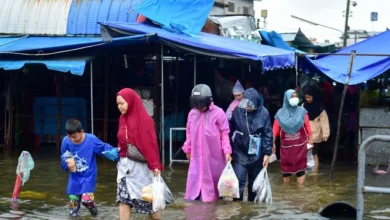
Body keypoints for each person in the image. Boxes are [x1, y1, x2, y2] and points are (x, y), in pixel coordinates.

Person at [116, 88, 163, 220]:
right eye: (118, 104)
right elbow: (121, 140)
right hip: (125, 166)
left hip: (141, 168)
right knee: (123, 199)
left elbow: (150, 145)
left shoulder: (145, 120)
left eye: (122, 103)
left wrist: (155, 165)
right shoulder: (122, 119)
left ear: (131, 102)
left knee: (149, 201)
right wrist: (118, 154)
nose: (120, 107)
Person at [183, 84, 232, 202]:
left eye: (201, 105)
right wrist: (187, 149)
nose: (199, 108)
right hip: (196, 158)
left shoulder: (219, 113)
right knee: (193, 191)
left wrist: (227, 151)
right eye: (197, 105)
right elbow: (189, 133)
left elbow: (224, 134)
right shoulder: (192, 113)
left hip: (213, 158)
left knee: (214, 191)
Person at [60, 119, 119, 217]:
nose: (72, 139)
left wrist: (114, 152)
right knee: (73, 208)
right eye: (70, 137)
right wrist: (67, 164)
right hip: (74, 178)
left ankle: (94, 212)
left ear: (81, 132)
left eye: (75, 137)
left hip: (88, 176)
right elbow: (63, 158)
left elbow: (103, 148)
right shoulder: (66, 141)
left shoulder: (91, 140)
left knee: (86, 200)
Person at [230, 88, 273, 201]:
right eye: (246, 105)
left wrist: (267, 154)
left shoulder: (264, 113)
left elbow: (267, 133)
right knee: (239, 179)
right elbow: (229, 129)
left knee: (254, 184)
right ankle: (237, 207)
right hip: (240, 150)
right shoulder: (237, 111)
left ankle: (251, 208)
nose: (248, 108)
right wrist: (228, 150)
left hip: (256, 152)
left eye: (251, 106)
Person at [272, 89, 313, 184]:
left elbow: (307, 126)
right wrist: (272, 143)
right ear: (286, 98)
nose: (294, 98)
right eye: (292, 97)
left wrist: (311, 139)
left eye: (296, 96)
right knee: (286, 170)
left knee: (301, 169)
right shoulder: (280, 113)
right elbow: (275, 130)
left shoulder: (302, 112)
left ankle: (300, 191)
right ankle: (287, 192)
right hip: (286, 147)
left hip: (300, 146)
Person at [302, 86, 330, 174]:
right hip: (305, 134)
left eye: (309, 97)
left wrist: (326, 134)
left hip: (316, 135)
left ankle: (315, 173)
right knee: (304, 153)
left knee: (314, 154)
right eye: (306, 97)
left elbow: (324, 122)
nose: (307, 99)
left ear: (314, 96)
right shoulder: (303, 106)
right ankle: (304, 172)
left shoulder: (320, 108)